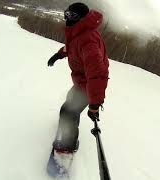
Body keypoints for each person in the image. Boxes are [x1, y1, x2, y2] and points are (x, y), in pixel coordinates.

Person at [47, 3, 109, 156]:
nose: (68, 18)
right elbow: (72, 48)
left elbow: (97, 74)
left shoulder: (88, 40)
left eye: (72, 16)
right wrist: (59, 55)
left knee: (67, 111)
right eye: (66, 14)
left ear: (82, 18)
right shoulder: (77, 33)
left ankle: (68, 145)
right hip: (82, 82)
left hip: (89, 85)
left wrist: (94, 104)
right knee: (71, 101)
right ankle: (70, 122)